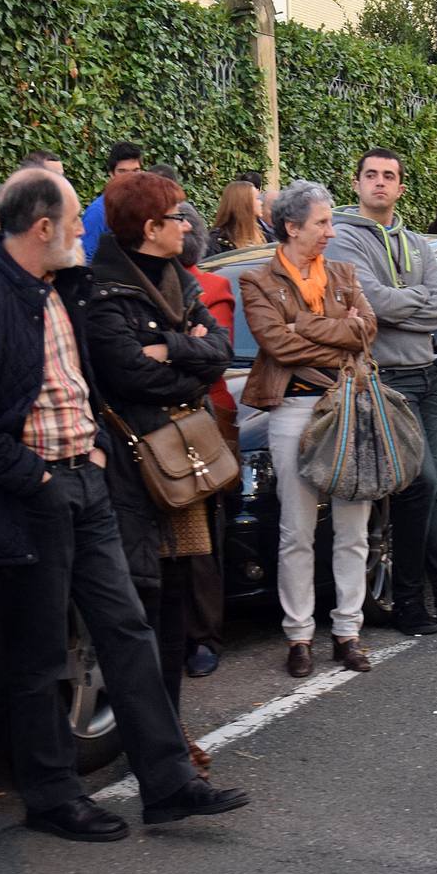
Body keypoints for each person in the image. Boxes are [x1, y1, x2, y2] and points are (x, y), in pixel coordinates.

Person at [0, 168, 247, 842]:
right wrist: (35, 476)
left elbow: (81, 381)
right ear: (42, 228)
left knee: (127, 631)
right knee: (39, 657)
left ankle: (168, 784)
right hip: (32, 497)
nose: (82, 234)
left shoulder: (65, 284)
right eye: (72, 223)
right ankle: (52, 797)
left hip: (88, 483)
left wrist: (91, 446)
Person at [85, 173, 232, 779]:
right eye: (176, 216)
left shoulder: (179, 277)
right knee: (142, 606)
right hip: (137, 467)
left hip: (182, 461)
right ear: (150, 229)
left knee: (175, 602)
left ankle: (169, 734)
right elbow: (127, 376)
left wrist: (171, 349)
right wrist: (188, 350)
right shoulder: (103, 293)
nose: (187, 225)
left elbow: (219, 352)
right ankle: (155, 746)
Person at [328, 148, 437, 635]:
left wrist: (398, 305)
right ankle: (410, 599)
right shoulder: (343, 239)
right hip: (385, 379)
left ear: (401, 187)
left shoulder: (415, 242)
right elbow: (373, 303)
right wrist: (413, 301)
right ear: (356, 183)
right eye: (371, 175)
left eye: (389, 176)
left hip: (427, 375)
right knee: (421, 482)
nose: (380, 183)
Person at [239, 180, 379, 676]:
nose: (330, 232)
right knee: (296, 530)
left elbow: (368, 330)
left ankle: (348, 631)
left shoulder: (343, 272)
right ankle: (298, 636)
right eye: (322, 223)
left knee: (352, 528)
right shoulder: (257, 280)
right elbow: (276, 344)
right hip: (292, 409)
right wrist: (340, 334)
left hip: (347, 404)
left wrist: (304, 325)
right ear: (292, 227)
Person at [178, 203, 234, 678]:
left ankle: (203, 634)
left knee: (202, 536)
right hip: (155, 425)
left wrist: (168, 349)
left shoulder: (210, 287)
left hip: (205, 420)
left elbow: (212, 359)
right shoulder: (131, 291)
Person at [80, 141, 143, 259]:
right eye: (122, 172)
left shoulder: (145, 206)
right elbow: (85, 258)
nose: (130, 178)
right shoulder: (99, 212)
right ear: (111, 174)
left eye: (135, 171)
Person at [206, 180, 269, 256]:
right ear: (244, 203)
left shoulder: (262, 234)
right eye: (257, 198)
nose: (261, 203)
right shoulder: (217, 242)